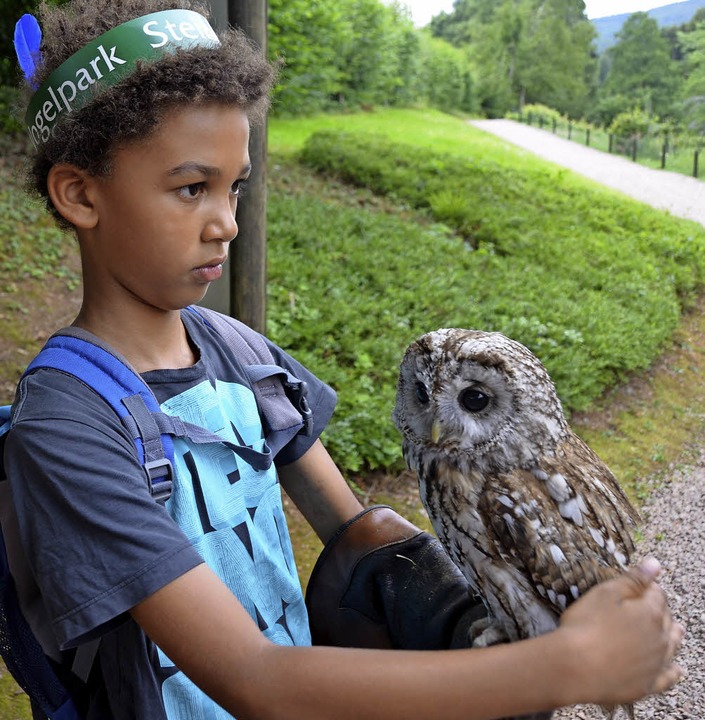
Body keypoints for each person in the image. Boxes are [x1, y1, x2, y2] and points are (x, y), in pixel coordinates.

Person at [4, 1, 683, 718]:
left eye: (235, 187)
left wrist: (479, 615)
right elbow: (254, 680)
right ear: (79, 194)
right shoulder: (67, 423)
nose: (227, 222)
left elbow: (357, 536)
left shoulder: (236, 350)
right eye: (191, 188)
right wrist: (554, 666)